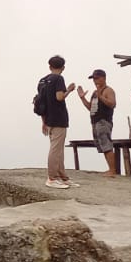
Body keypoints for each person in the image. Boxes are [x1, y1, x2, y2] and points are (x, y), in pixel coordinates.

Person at [37, 55, 77, 188]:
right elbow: (59, 97)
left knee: (58, 149)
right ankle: (52, 178)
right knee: (56, 149)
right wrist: (69, 91)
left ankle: (63, 177)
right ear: (63, 67)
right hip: (59, 118)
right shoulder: (58, 78)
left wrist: (43, 121)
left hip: (48, 119)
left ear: (50, 66)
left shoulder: (43, 80)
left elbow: (41, 102)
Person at [77, 69, 119, 176]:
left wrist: (101, 97)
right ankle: (110, 169)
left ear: (103, 78)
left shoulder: (108, 90)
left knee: (106, 144)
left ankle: (112, 170)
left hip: (104, 121)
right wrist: (82, 98)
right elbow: (90, 108)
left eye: (97, 78)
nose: (95, 81)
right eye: (94, 79)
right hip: (95, 121)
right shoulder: (95, 93)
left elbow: (112, 104)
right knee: (102, 146)